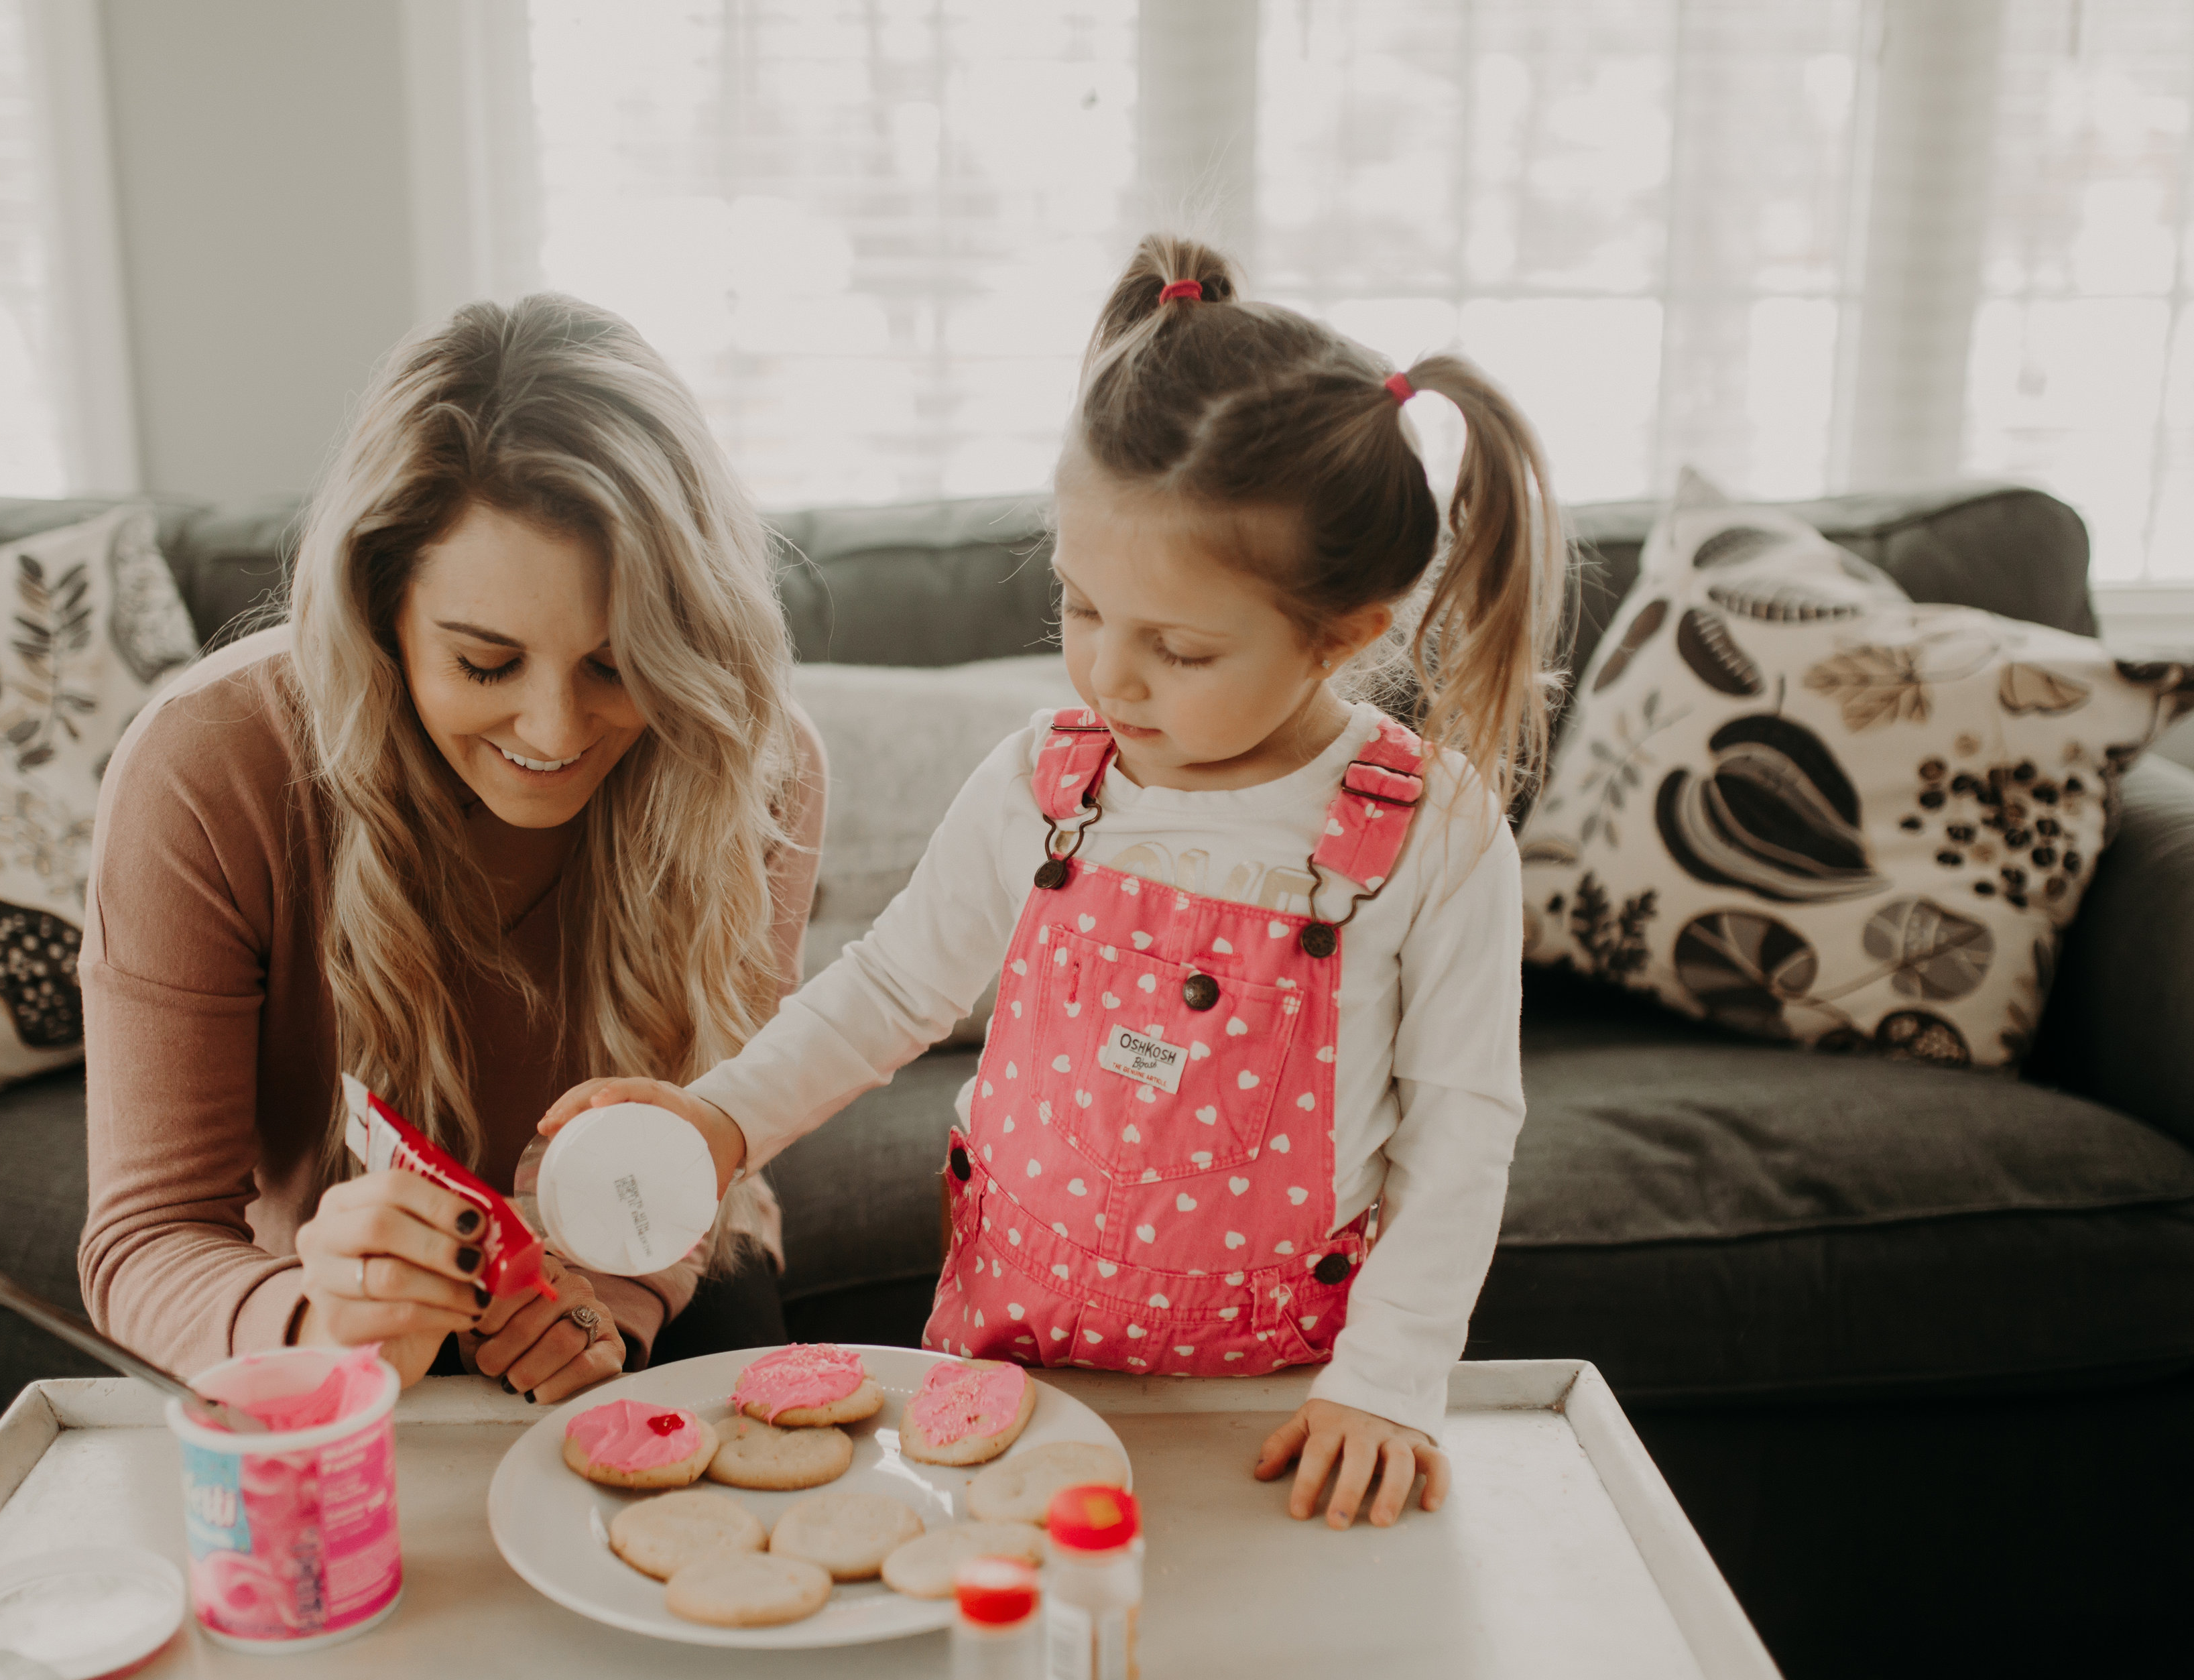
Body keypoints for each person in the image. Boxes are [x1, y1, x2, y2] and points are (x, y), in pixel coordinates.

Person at [548, 236, 1560, 1528]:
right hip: (1001, 1380)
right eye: (1080, 608)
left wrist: (1390, 1382)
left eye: (1179, 648)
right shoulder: (1046, 781)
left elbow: (1463, 1133)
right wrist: (721, 1122)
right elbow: (890, 988)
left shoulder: (1436, 834)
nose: (1110, 678)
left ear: (1347, 630)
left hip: (1277, 1412)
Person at [79, 294, 823, 1400]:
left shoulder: (751, 767)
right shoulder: (208, 769)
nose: (557, 733)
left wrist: (606, 1303)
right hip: (322, 1308)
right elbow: (144, 1240)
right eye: (486, 665)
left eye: (620, 666)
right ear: (380, 610)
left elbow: (707, 1144)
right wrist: (316, 1322)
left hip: (646, 1260)